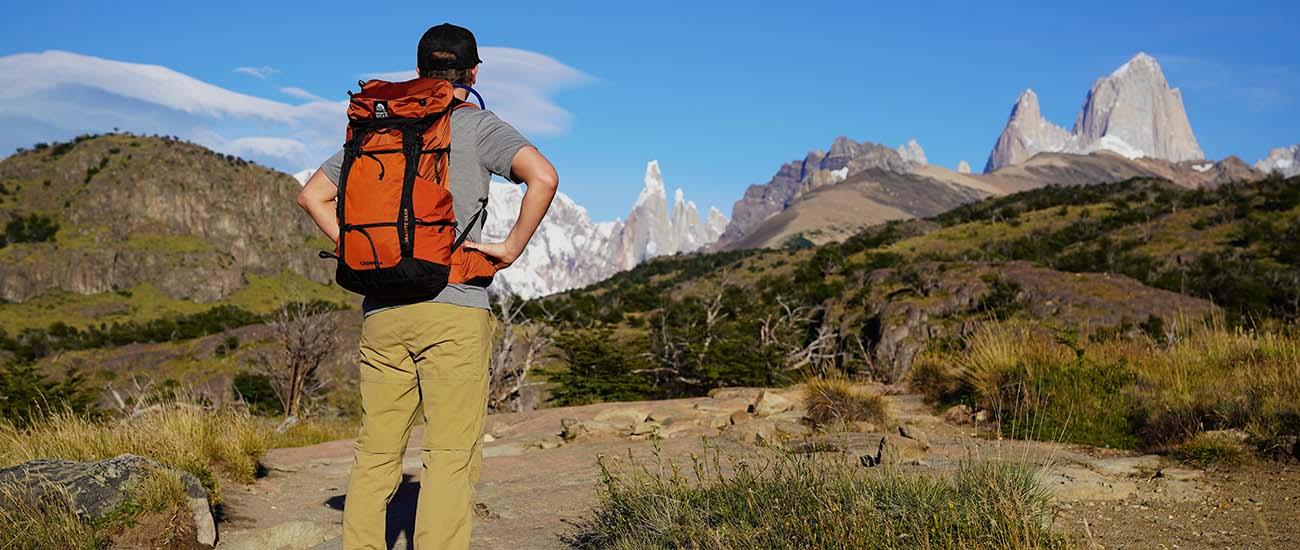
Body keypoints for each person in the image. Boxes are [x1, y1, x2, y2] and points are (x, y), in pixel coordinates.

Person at [296, 22, 558, 550]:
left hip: (383, 310)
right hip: (454, 306)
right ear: (474, 71)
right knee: (449, 453)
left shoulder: (378, 127)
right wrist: (509, 248)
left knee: (375, 452)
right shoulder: (478, 125)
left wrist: (356, 247)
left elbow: (312, 198)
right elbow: (543, 177)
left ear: (419, 71)